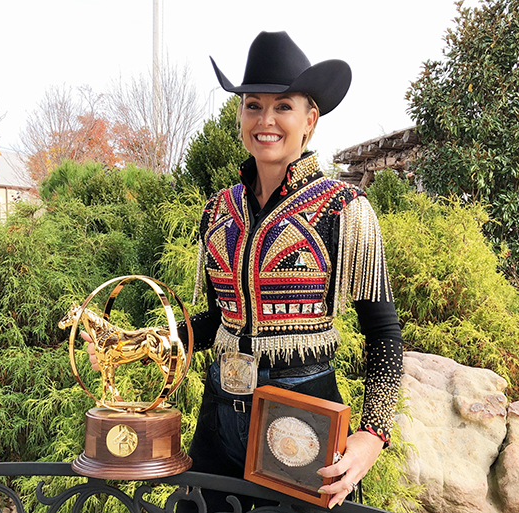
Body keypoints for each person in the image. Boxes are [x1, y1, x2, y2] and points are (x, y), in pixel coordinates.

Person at [87, 30, 403, 511]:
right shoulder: (218, 211)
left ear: (310, 120)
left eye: (283, 107)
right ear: (239, 116)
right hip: (220, 412)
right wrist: (133, 344)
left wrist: (372, 435)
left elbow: (383, 334)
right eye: (253, 105)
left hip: (303, 416)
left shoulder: (344, 209)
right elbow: (216, 320)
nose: (266, 120)